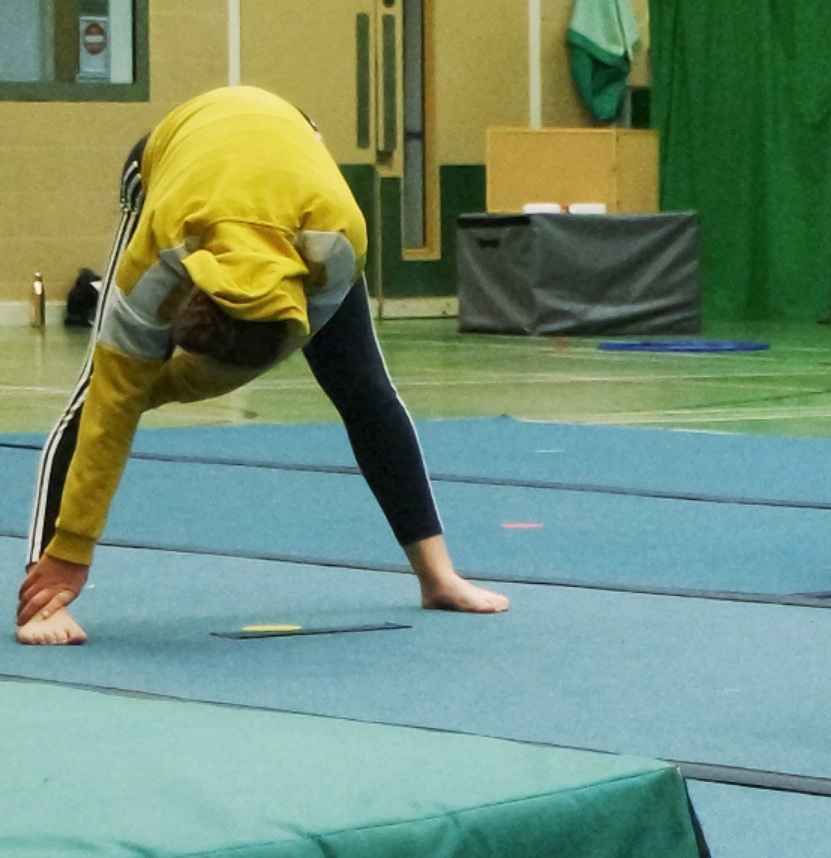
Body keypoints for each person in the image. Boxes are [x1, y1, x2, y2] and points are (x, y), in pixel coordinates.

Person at [18, 87, 506, 645]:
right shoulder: (157, 258)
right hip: (174, 157)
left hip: (296, 165)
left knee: (362, 385)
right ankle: (43, 591)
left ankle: (436, 574)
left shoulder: (336, 243)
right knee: (98, 391)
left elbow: (261, 353)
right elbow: (112, 402)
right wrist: (71, 550)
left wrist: (155, 390)